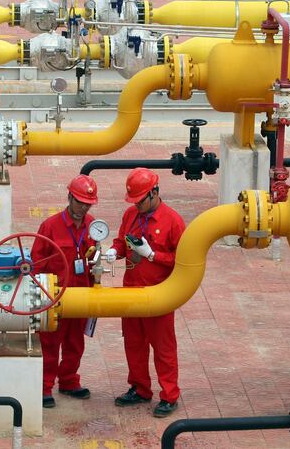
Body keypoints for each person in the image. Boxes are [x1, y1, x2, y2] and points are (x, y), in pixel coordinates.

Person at [104, 168, 185, 418]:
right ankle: (140, 388)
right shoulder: (131, 214)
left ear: (154, 193)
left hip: (158, 295)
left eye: (140, 200)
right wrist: (113, 252)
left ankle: (169, 395)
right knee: (134, 344)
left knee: (163, 348)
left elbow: (183, 261)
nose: (137, 205)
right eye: (134, 201)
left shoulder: (173, 221)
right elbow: (121, 241)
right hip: (131, 292)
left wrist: (153, 255)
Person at [31, 175, 99, 409]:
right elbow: (37, 263)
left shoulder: (92, 225)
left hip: (81, 296)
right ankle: (43, 387)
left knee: (75, 342)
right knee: (50, 344)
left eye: (87, 203)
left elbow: (95, 257)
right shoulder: (50, 226)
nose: (83, 207)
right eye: (79, 201)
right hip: (55, 298)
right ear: (69, 197)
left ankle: (69, 381)